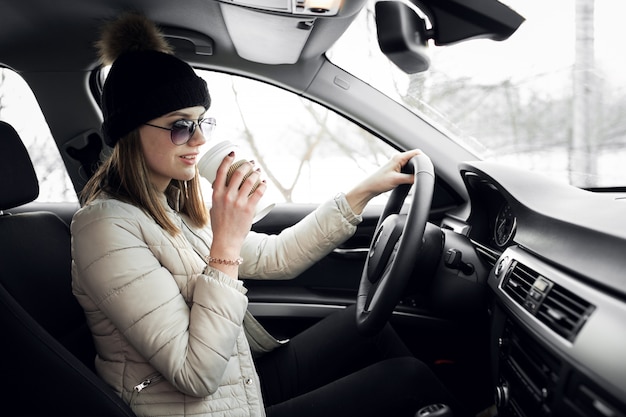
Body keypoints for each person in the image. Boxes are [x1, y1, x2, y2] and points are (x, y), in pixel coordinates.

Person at [71, 13, 459, 417]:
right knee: (408, 379)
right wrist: (226, 241)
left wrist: (365, 190)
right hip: (205, 405)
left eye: (202, 121)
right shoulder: (103, 229)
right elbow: (195, 374)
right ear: (131, 132)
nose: (200, 139)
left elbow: (278, 256)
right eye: (181, 126)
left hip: (236, 383)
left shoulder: (169, 209)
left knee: (370, 327)